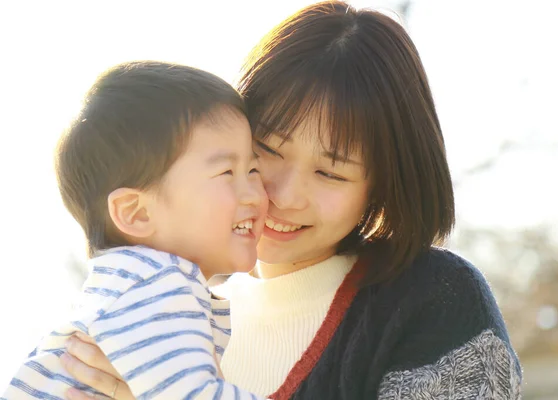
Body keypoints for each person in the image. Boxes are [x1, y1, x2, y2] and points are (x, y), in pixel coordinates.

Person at [60, 2, 523, 399]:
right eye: (266, 150)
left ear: (383, 185)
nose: (280, 196)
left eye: (330, 172)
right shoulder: (167, 317)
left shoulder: (431, 298)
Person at [2, 61, 269, 399]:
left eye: (254, 169)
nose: (255, 193)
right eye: (227, 172)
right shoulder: (157, 285)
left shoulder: (133, 284)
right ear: (137, 213)